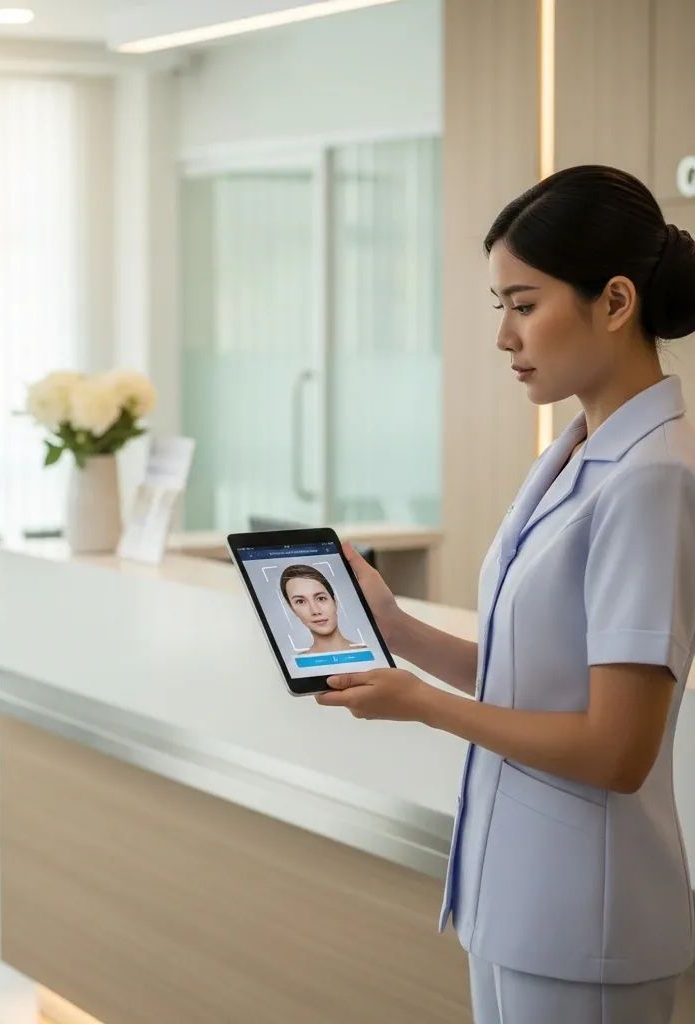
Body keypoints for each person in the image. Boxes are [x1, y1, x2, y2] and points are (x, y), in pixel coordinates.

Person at [315, 166, 695, 1023]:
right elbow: (540, 672)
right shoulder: (573, 452)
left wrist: (422, 705)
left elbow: (615, 749)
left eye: (523, 304)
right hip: (512, 900)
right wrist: (396, 629)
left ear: (616, 301)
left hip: (586, 920)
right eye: (501, 308)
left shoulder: (651, 480)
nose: (504, 336)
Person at [279, 564, 360, 655]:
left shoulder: (372, 653)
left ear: (335, 601)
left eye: (321, 598)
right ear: (293, 609)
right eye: (300, 601)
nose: (315, 611)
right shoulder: (295, 664)